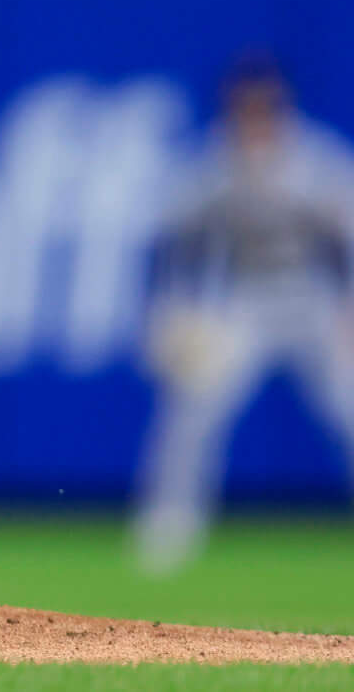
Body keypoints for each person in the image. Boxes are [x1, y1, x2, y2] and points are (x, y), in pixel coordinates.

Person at [131, 53, 354, 572]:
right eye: (244, 107)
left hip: (314, 300)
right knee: (193, 411)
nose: (254, 116)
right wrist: (171, 307)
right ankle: (167, 535)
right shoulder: (214, 164)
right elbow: (174, 243)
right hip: (248, 302)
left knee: (349, 411)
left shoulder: (315, 161)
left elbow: (344, 245)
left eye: (263, 106)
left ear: (281, 107)